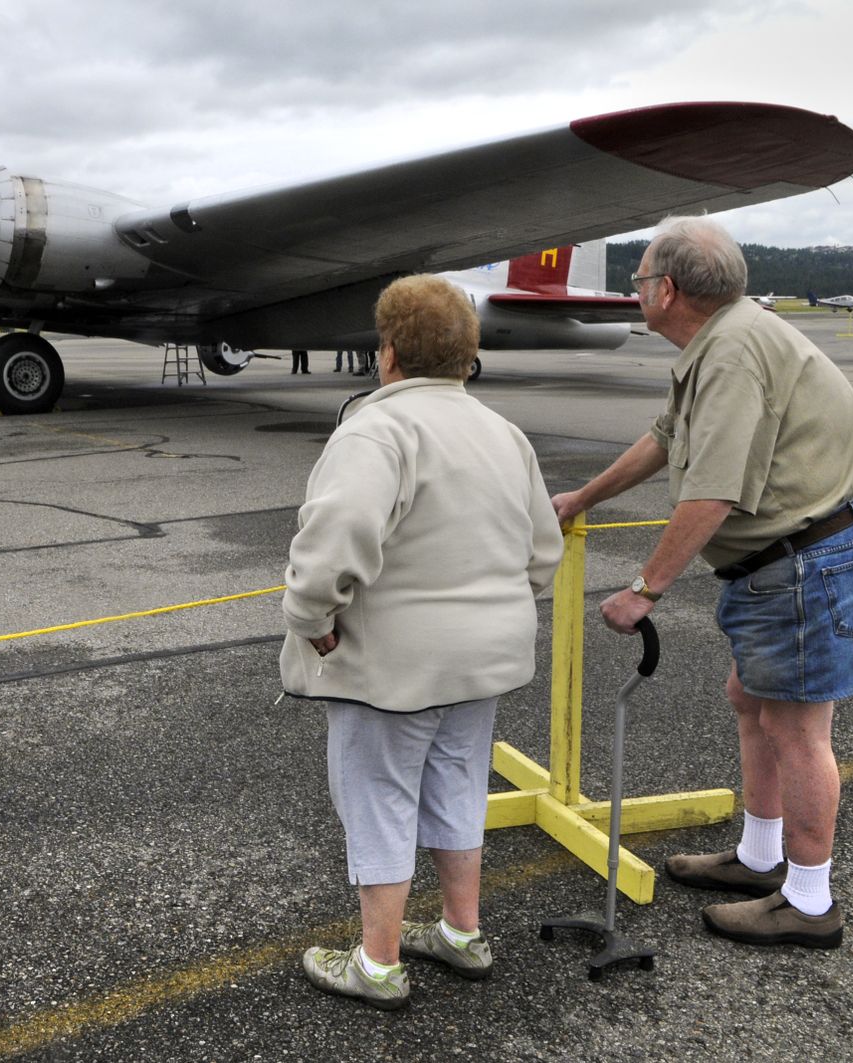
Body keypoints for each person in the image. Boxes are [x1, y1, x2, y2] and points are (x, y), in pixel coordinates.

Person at [550, 215, 853, 950]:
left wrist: (646, 588)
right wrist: (582, 498)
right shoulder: (723, 337)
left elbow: (714, 491)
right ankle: (761, 858)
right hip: (784, 559)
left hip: (804, 558)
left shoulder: (732, 351)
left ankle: (808, 899)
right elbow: (669, 436)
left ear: (665, 290)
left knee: (798, 726)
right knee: (752, 700)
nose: (636, 289)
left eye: (638, 278)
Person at [282, 274, 564, 1009]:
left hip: (396, 662)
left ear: (389, 353)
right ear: (466, 355)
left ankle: (377, 964)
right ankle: (461, 931)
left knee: (378, 794)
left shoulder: (378, 429)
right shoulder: (505, 433)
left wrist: (312, 617)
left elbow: (335, 538)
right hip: (484, 656)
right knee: (458, 784)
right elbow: (543, 550)